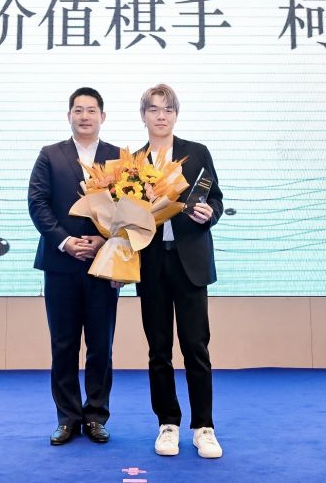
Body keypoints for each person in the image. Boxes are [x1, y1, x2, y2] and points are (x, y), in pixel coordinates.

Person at [28, 87, 121, 446]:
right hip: (60, 265)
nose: (85, 116)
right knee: (63, 344)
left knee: (101, 346)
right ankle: (67, 418)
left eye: (91, 110)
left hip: (103, 265)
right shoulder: (50, 155)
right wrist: (65, 241)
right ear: (69, 116)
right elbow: (38, 203)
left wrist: (105, 241)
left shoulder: (119, 158)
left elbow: (132, 210)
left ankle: (96, 416)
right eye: (78, 110)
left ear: (102, 116)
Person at [136, 83, 225, 459]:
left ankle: (204, 427)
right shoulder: (133, 162)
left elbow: (216, 198)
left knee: (196, 347)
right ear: (143, 116)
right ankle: (167, 423)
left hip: (190, 262)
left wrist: (210, 213)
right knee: (158, 350)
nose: (161, 116)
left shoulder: (197, 152)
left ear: (176, 115)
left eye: (168, 109)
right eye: (154, 109)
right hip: (151, 263)